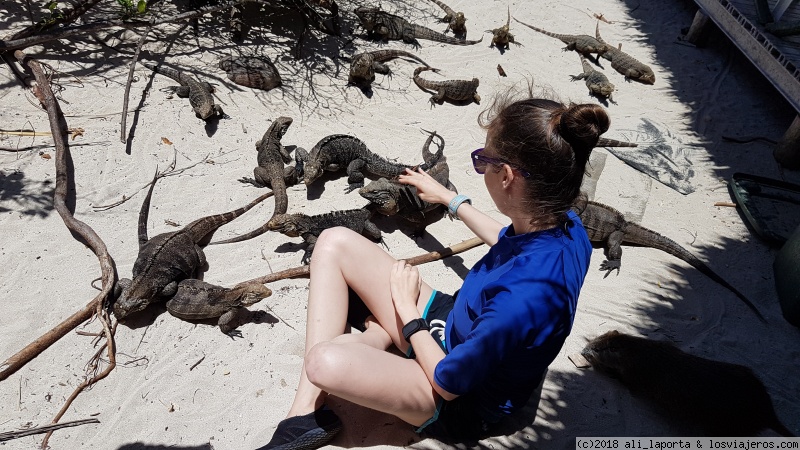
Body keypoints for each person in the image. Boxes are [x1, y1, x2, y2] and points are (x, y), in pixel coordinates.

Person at [256, 90, 610, 450]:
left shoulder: (522, 297)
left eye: (482, 160)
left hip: (461, 395)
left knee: (324, 362)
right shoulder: (565, 224)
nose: (480, 167)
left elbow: (449, 383)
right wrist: (450, 200)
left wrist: (410, 317)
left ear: (505, 176)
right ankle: (304, 411)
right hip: (456, 323)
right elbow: (506, 240)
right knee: (333, 241)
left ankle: (380, 337)